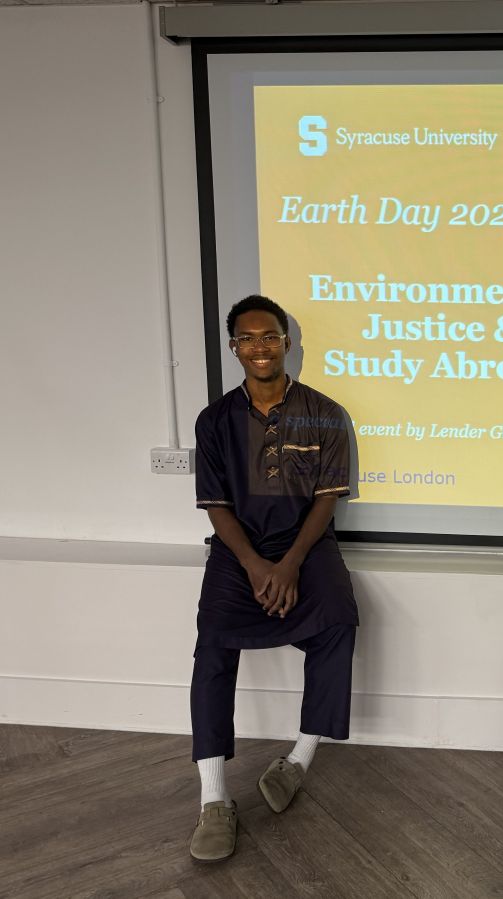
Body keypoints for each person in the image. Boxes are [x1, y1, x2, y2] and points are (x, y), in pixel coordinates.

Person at [188, 295, 359, 862]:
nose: (259, 347)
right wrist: (255, 565)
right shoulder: (214, 420)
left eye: (270, 337)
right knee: (213, 645)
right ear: (233, 347)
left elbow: (327, 500)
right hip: (238, 552)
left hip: (305, 546)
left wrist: (288, 565)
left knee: (338, 621)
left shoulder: (325, 413)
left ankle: (298, 760)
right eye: (248, 338)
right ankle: (214, 799)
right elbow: (216, 506)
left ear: (287, 343)